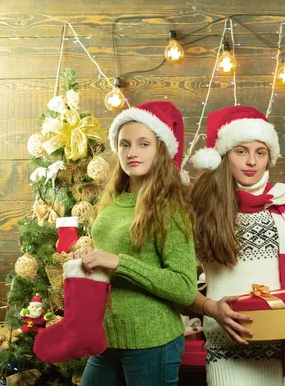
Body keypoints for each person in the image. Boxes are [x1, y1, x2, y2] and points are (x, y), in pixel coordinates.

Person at [187, 105, 285, 386]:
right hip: (229, 345)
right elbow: (179, 282)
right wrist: (211, 307)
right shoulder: (201, 207)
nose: (251, 161)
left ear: (269, 157)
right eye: (241, 151)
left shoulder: (281, 203)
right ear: (224, 155)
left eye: (260, 152)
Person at [71, 101, 197, 386]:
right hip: (105, 336)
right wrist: (90, 255)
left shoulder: (169, 208)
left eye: (143, 144)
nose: (132, 153)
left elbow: (185, 287)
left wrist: (118, 262)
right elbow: (109, 257)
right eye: (125, 144)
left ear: (160, 150)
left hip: (152, 341)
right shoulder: (113, 202)